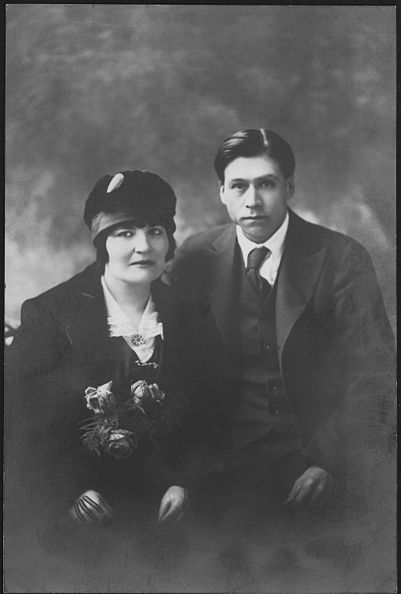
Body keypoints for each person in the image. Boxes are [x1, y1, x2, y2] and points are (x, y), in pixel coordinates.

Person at [168, 128, 395, 520]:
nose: (252, 201)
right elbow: (163, 354)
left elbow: (373, 374)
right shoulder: (196, 256)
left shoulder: (341, 258)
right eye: (238, 186)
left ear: (289, 187)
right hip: (219, 467)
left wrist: (327, 462)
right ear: (221, 191)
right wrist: (181, 470)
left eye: (266, 184)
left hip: (315, 463)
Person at [5, 170, 213, 556]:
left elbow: (214, 415)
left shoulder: (192, 315)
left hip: (172, 518)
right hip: (78, 520)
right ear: (102, 242)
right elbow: (18, 428)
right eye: (124, 233)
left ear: (169, 240)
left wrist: (186, 483)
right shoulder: (51, 314)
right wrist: (71, 493)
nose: (143, 246)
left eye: (155, 231)